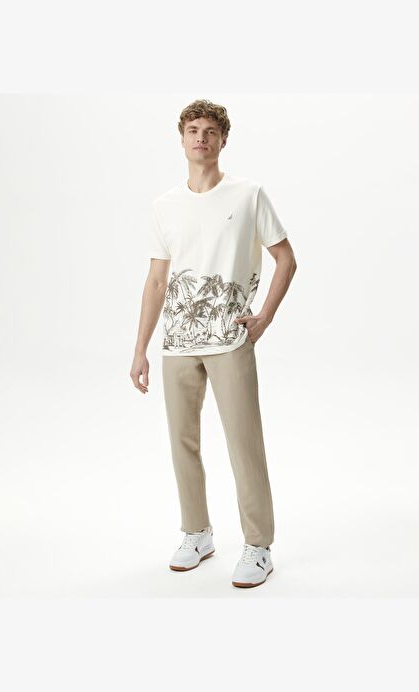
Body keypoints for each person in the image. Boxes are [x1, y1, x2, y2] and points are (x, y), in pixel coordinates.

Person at [130, 99, 297, 588]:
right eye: (192, 130)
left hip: (230, 338)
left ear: (223, 139)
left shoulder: (248, 194)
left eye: (209, 131)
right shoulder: (164, 205)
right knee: (182, 442)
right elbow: (156, 281)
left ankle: (258, 545)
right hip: (177, 343)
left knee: (244, 442)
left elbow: (286, 259)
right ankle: (196, 533)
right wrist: (140, 349)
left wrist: (264, 317)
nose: (200, 138)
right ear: (181, 138)